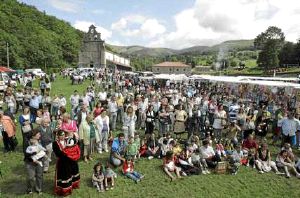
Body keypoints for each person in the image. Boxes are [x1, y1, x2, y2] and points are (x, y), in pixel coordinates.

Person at [53, 130, 81, 196]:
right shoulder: (55, 143)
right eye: (61, 135)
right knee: (65, 175)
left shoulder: (68, 140)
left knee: (73, 172)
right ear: (58, 136)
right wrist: (67, 155)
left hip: (71, 161)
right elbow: (58, 153)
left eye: (63, 135)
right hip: (62, 162)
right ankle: (65, 190)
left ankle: (73, 185)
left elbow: (75, 145)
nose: (62, 137)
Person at [24, 129, 44, 195]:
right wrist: (33, 159)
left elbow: (43, 150)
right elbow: (26, 154)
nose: (40, 135)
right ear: (33, 136)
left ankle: (39, 189)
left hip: (39, 161)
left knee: (39, 176)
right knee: (30, 177)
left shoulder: (40, 141)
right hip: (30, 162)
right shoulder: (27, 142)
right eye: (38, 134)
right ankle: (29, 189)